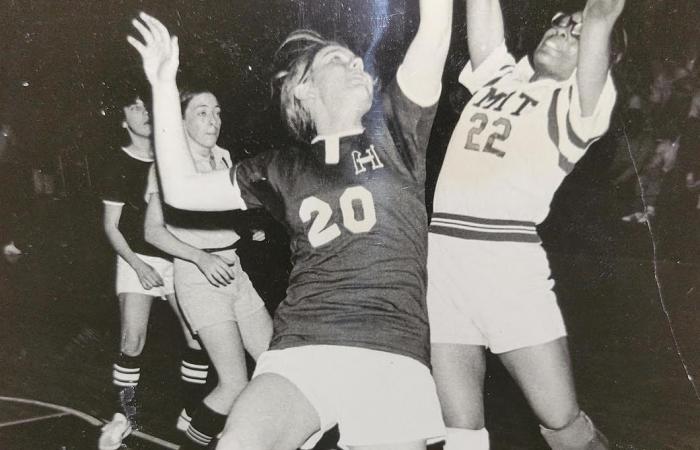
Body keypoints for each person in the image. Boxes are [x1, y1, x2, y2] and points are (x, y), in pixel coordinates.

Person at [127, 2, 452, 448]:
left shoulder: (397, 129)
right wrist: (164, 85)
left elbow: (436, 26)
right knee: (239, 442)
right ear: (303, 90)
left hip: (390, 350)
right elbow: (181, 191)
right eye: (337, 59)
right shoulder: (281, 167)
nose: (357, 64)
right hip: (304, 345)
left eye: (357, 60)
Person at [427, 0, 624, 449]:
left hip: (506, 268)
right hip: (444, 262)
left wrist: (594, 24)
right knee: (458, 431)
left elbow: (601, 15)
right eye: (560, 24)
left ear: (597, 56)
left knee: (563, 425)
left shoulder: (579, 105)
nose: (562, 32)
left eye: (578, 34)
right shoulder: (498, 75)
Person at [143, 86, 273, 448]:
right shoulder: (168, 166)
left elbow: (225, 212)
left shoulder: (223, 157)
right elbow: (152, 232)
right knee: (234, 383)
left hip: (234, 270)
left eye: (216, 112)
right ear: (180, 121)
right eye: (202, 112)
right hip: (198, 276)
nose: (213, 120)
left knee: (274, 365)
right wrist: (200, 257)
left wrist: (251, 227)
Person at [97, 85, 202, 450]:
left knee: (198, 336)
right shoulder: (118, 163)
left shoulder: (171, 156)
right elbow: (111, 227)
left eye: (147, 105)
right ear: (122, 118)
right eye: (134, 105)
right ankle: (123, 415)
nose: (143, 111)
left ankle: (192, 413)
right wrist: (139, 266)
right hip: (135, 258)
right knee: (133, 339)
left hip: (175, 256)